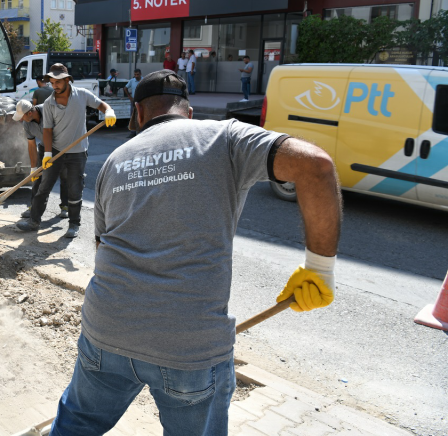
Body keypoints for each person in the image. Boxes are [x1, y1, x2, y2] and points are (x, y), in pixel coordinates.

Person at [49, 69, 342, 436]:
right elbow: (315, 165)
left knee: (78, 423)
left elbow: (101, 247)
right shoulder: (225, 137)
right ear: (188, 112)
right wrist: (320, 269)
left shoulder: (116, 160)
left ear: (139, 114)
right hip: (187, 348)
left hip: (105, 330)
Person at [17, 63, 116, 239]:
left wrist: (109, 111)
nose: (54, 85)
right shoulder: (48, 104)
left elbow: (102, 105)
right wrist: (47, 154)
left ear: (67, 80)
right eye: (52, 82)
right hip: (55, 151)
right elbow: (47, 130)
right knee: (44, 185)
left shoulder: (83, 95)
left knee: (75, 187)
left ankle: (74, 224)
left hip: (78, 151)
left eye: (58, 81)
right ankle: (34, 220)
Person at [12, 99, 69, 220]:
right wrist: (33, 168)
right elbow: (31, 145)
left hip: (63, 146)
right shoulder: (27, 123)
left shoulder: (50, 111)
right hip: (44, 147)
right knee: (38, 177)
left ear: (30, 113)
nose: (21, 120)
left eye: (22, 116)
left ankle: (66, 206)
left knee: (65, 175)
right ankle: (34, 206)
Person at [124, 68, 141, 138]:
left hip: (141, 100)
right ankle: (133, 132)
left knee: (140, 116)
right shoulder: (132, 81)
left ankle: (140, 131)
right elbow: (125, 88)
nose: (136, 76)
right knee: (133, 116)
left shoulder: (143, 80)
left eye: (137, 74)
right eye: (135, 74)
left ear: (140, 74)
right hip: (134, 100)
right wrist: (129, 97)